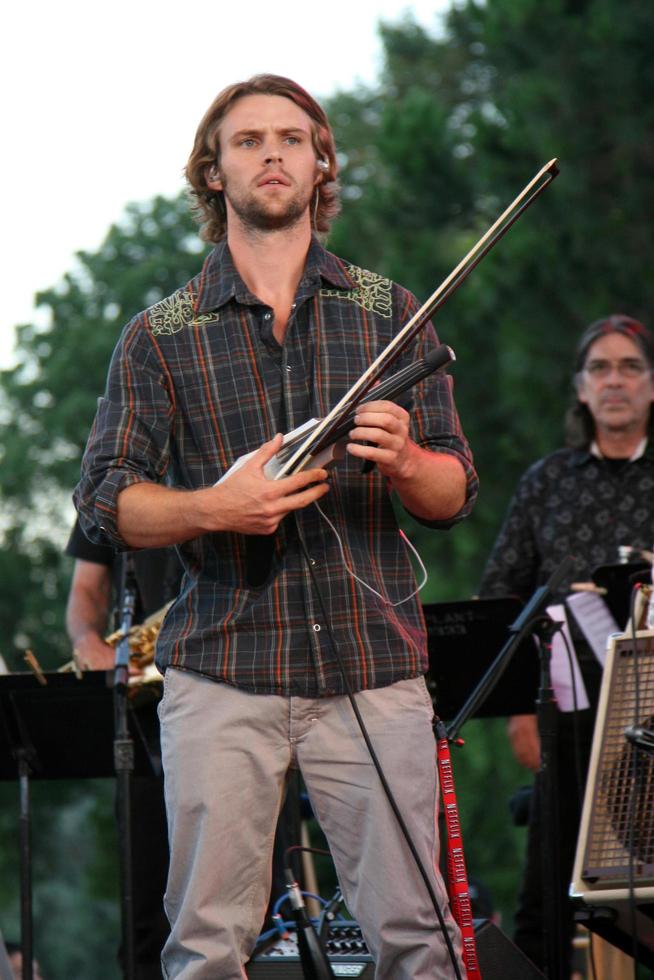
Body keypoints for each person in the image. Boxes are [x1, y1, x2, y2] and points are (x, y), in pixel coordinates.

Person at [74, 74, 478, 979]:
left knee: (419, 939)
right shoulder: (159, 332)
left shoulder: (388, 308)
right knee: (208, 947)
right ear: (213, 171)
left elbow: (455, 491)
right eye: (249, 140)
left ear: (320, 162)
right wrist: (220, 506)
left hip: (373, 667)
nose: (273, 155)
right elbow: (104, 498)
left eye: (292, 139)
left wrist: (412, 462)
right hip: (223, 669)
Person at [479, 314, 654, 975]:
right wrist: (520, 714)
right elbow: (502, 600)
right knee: (544, 903)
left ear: (652, 386)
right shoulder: (547, 481)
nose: (616, 381)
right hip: (569, 719)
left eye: (630, 367)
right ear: (581, 389)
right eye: (601, 369)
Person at [65, 518, 181, 980]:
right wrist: (87, 641)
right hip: (142, 713)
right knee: (144, 901)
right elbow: (86, 591)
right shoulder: (115, 475)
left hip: (236, 692)